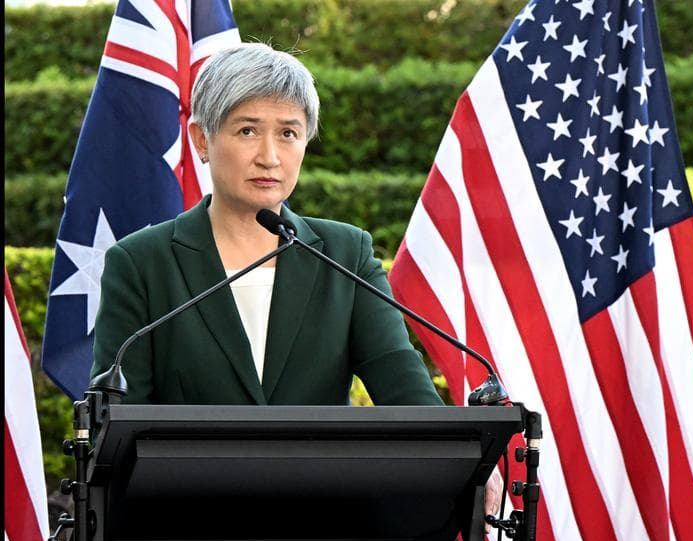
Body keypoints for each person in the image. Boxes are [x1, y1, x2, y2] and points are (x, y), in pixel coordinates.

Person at [91, 42, 442, 408]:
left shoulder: (346, 255)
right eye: (247, 131)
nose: (270, 158)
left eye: (288, 134)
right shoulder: (140, 264)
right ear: (201, 139)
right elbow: (118, 423)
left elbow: (411, 398)